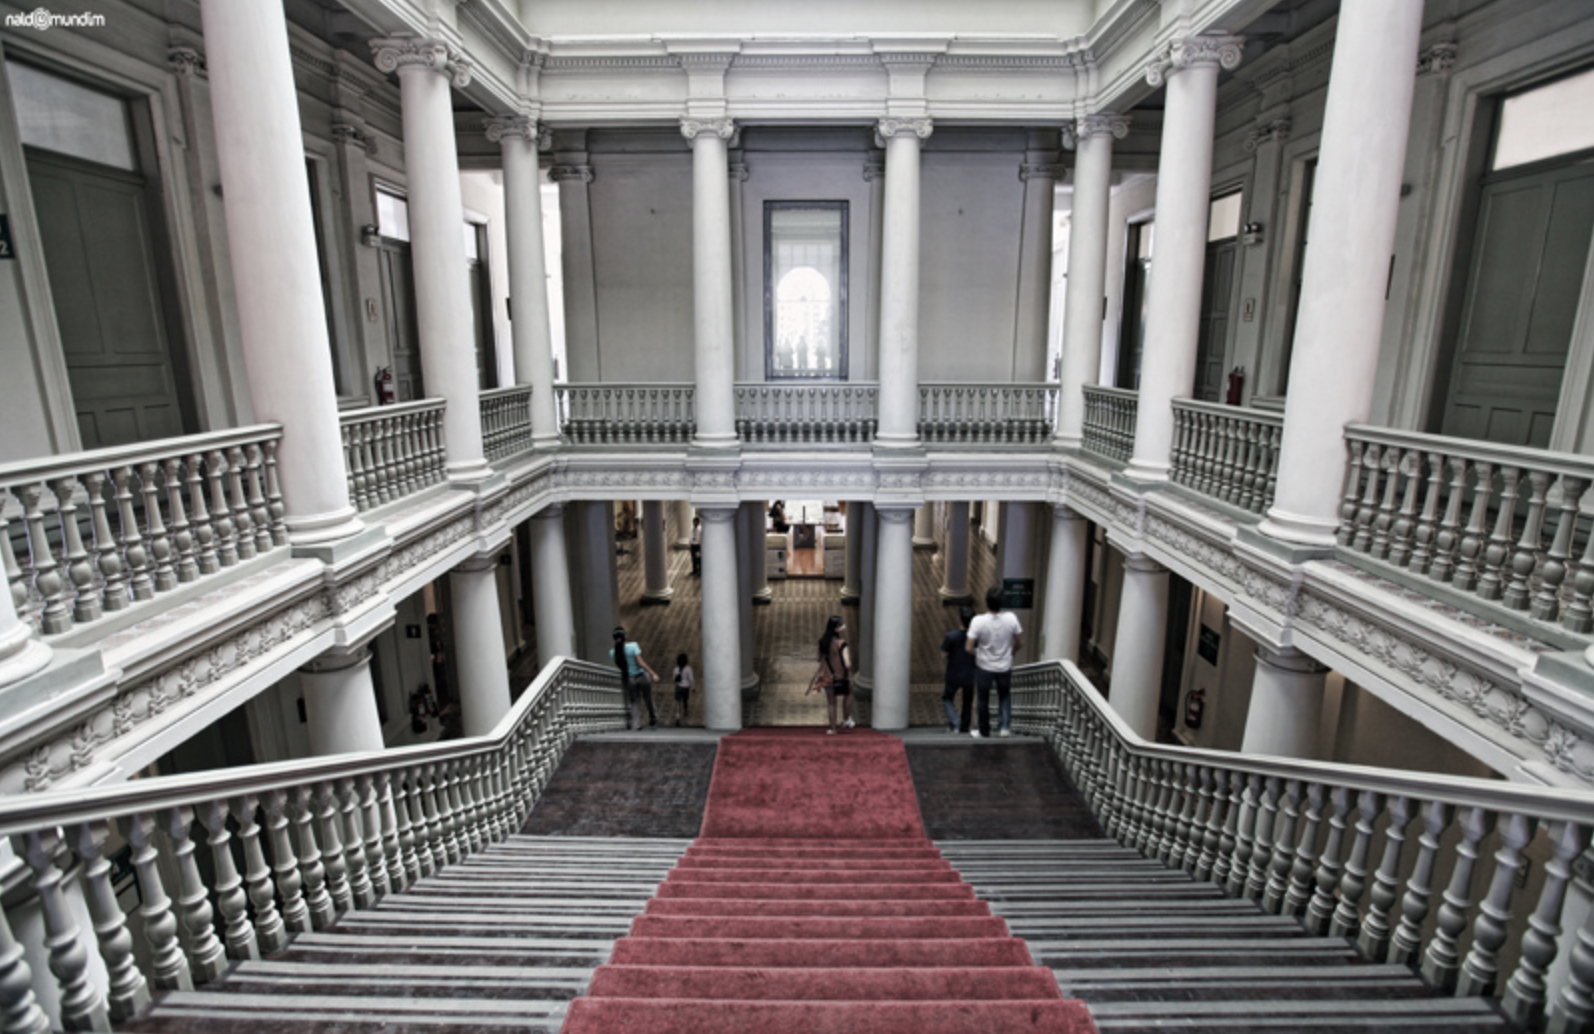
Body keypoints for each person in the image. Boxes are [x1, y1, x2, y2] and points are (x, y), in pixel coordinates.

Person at [966, 586, 1022, 739]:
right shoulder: (1011, 618)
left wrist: (980, 652)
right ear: (1002, 602)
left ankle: (984, 731)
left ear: (986, 602)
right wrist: (1012, 650)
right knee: (1004, 696)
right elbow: (1019, 642)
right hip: (1004, 665)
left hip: (984, 666)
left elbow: (969, 647)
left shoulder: (978, 621)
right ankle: (1004, 728)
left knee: (982, 698)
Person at [809, 615, 856, 734]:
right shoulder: (842, 643)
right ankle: (846, 719)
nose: (843, 626)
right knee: (849, 693)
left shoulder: (822, 641)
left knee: (831, 704)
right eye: (841, 625)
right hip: (841, 676)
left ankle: (832, 729)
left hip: (826, 676)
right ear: (836, 628)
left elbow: (818, 659)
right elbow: (847, 663)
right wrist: (847, 663)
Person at [610, 626, 660, 730]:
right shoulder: (633, 646)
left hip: (630, 678)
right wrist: (652, 673)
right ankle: (653, 717)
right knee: (648, 698)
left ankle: (636, 724)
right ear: (625, 636)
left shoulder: (612, 653)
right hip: (641, 676)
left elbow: (620, 666)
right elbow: (640, 663)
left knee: (634, 701)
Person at [940, 605, 976, 735]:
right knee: (967, 701)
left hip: (953, 673)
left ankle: (955, 723)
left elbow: (943, 655)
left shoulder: (951, 636)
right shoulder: (975, 639)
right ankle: (964, 727)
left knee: (947, 697)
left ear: (960, 619)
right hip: (970, 673)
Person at [671, 652, 694, 727]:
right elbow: (691, 679)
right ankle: (685, 710)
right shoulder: (688, 669)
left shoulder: (676, 669)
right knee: (685, 700)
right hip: (686, 687)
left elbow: (674, 679)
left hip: (678, 687)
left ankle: (677, 716)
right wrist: (693, 687)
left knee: (678, 702)